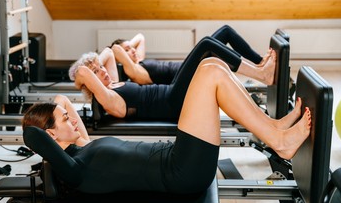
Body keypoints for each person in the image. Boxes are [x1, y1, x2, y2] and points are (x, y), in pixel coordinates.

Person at [22, 57, 311, 195]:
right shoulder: (72, 170)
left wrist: (55, 111)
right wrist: (40, 126)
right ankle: (279, 141)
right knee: (209, 73)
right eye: (65, 120)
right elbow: (32, 135)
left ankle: (274, 127)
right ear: (49, 135)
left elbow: (61, 99)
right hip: (180, 173)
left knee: (213, 63)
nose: (73, 118)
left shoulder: (80, 144)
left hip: (176, 156)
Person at [69, 37, 276, 120]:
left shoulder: (113, 82)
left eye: (100, 68)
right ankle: (261, 73)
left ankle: (260, 68)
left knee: (215, 40)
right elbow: (81, 74)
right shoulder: (108, 99)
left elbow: (109, 52)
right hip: (172, 102)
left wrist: (94, 61)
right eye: (97, 72)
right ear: (90, 84)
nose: (102, 70)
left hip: (172, 92)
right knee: (206, 46)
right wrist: (87, 69)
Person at [110, 25, 272, 85]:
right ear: (120, 58)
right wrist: (117, 51)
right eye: (127, 50)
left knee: (224, 33)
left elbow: (140, 36)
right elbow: (115, 51)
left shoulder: (139, 62)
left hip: (186, 68)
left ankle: (260, 64)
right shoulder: (133, 71)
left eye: (132, 48)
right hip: (181, 78)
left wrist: (128, 47)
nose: (133, 50)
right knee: (218, 38)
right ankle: (261, 72)